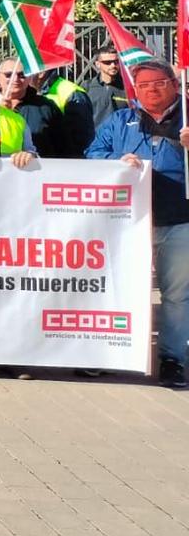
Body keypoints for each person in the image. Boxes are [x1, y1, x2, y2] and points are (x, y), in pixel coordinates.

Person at [86, 61, 189, 384]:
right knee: (123, 290)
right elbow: (91, 154)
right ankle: (115, 353)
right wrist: (115, 161)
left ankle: (172, 358)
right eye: (143, 85)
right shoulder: (121, 120)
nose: (151, 90)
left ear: (174, 83)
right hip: (129, 225)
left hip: (179, 221)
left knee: (176, 297)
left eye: (158, 83)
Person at [0, 60, 74, 158]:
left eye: (22, 75)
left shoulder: (46, 107)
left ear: (29, 77)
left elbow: (64, 147)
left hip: (37, 170)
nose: (15, 79)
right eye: (9, 74)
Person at [88, 49, 130, 129]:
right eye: (107, 62)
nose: (113, 65)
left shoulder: (128, 87)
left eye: (116, 62)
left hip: (120, 137)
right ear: (98, 64)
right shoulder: (87, 86)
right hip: (96, 138)